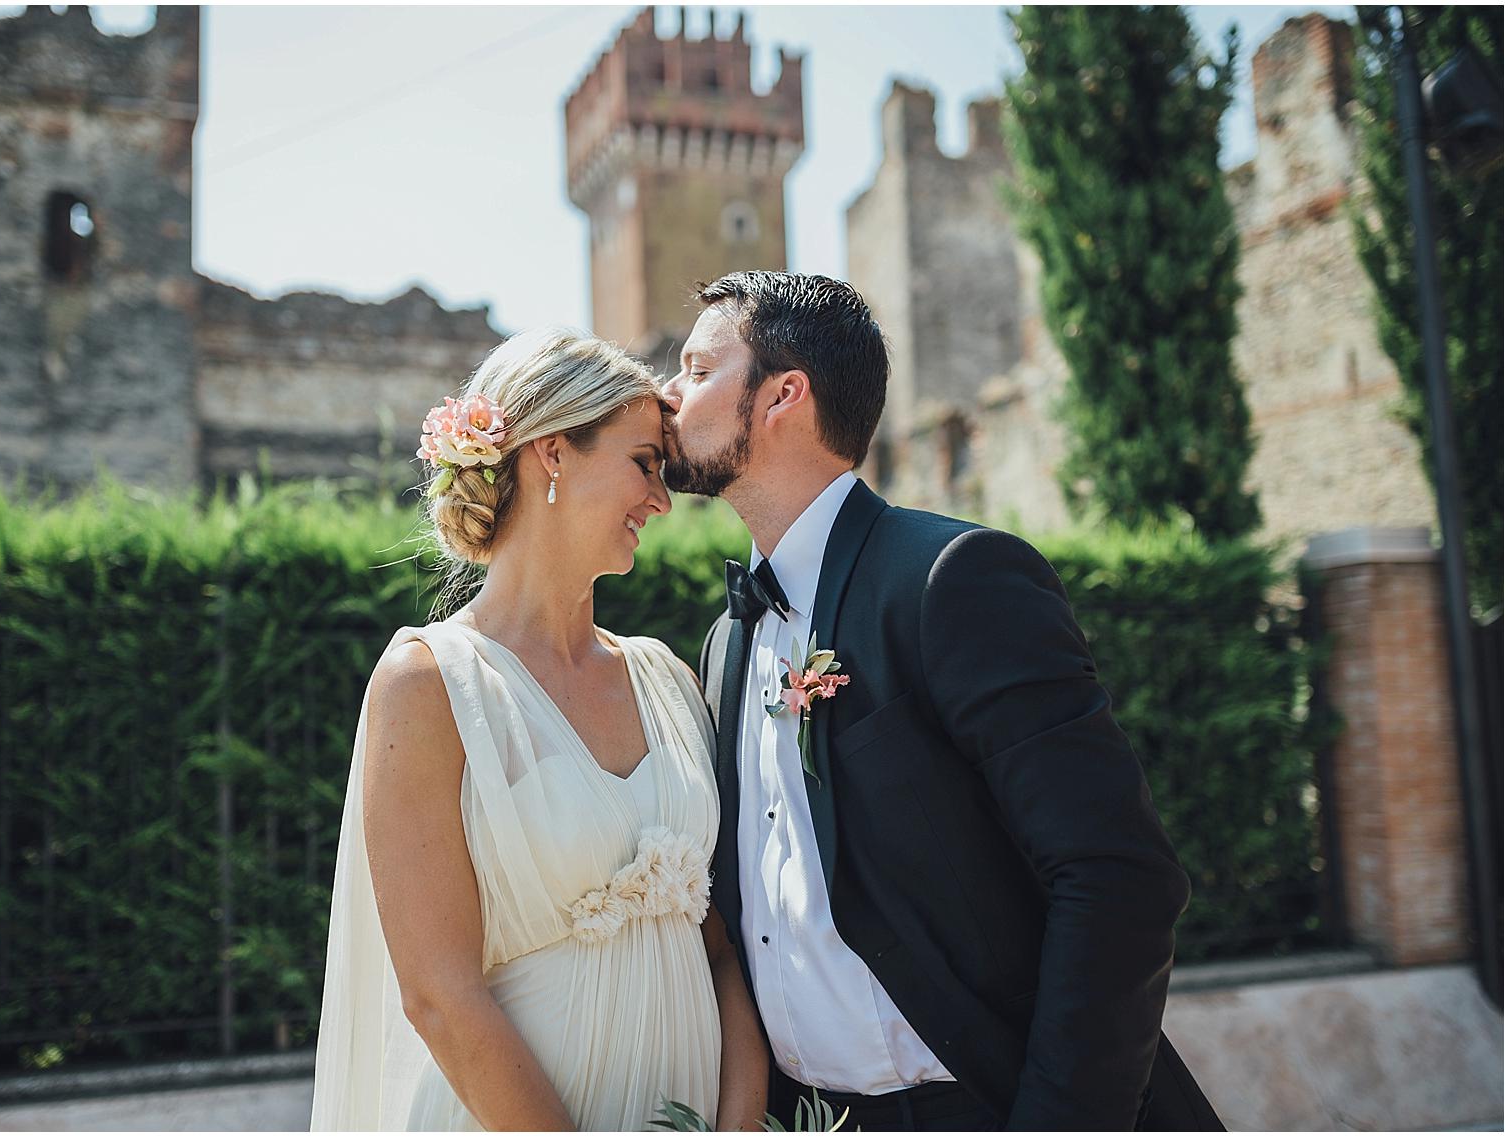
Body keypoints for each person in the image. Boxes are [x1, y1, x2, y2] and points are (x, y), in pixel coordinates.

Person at [661, 271, 1224, 1131]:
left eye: (699, 369)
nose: (668, 393)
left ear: (782, 396)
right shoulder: (725, 642)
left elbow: (1119, 879)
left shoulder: (953, 579)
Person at [309, 328, 768, 1131]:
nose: (661, 500)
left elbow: (724, 950)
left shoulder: (671, 680)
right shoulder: (429, 685)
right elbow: (439, 996)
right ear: (552, 453)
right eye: (641, 463)